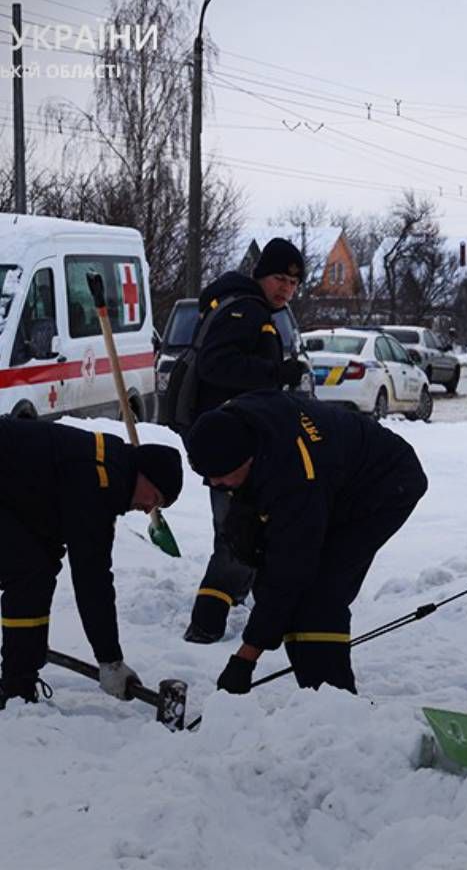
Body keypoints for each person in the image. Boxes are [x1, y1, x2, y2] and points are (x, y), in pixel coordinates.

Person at [183, 391, 426, 695]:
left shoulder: (295, 477)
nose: (215, 486)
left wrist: (245, 658)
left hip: (384, 486)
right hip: (331, 479)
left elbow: (289, 571)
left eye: (221, 478)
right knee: (269, 556)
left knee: (320, 589)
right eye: (208, 478)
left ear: (248, 459)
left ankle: (330, 701)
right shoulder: (234, 423)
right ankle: (314, 692)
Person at [0, 419, 182, 707]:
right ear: (144, 475)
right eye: (155, 498)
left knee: (39, 563)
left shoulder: (109, 469)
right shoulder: (98, 481)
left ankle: (23, 662)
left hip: (14, 497)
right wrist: (109, 660)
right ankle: (17, 686)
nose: (148, 508)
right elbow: (92, 579)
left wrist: (30, 642)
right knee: (28, 573)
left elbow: (46, 520)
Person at [181, 237, 310, 643]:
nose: (285, 289)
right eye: (278, 278)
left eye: (293, 283)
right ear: (260, 275)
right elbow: (216, 364)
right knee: (241, 532)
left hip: (237, 440)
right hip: (235, 445)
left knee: (247, 528)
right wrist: (276, 375)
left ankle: (236, 609)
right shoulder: (245, 309)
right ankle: (205, 625)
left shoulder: (249, 308)